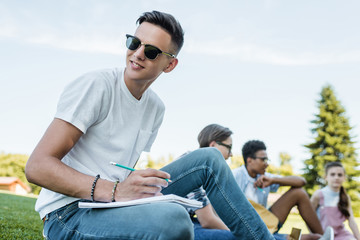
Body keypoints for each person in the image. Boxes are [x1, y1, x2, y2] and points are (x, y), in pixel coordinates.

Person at [25, 11, 275, 239]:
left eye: (152, 51)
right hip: (68, 214)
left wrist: (130, 185)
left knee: (209, 159)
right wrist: (114, 190)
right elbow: (37, 167)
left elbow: (118, 170)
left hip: (113, 205)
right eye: (134, 43)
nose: (138, 53)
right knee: (174, 219)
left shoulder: (156, 108)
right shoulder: (97, 86)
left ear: (169, 64)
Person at [232, 140, 334, 240]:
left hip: (266, 220)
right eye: (263, 159)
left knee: (299, 193)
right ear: (249, 160)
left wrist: (273, 180)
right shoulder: (235, 176)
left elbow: (301, 181)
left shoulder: (265, 177)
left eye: (267, 160)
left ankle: (323, 237)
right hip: (247, 225)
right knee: (308, 238)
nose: (266, 164)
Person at [184, 124, 236, 240]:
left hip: (188, 221)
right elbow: (207, 221)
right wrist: (238, 233)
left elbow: (213, 213)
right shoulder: (194, 164)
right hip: (175, 226)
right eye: (229, 148)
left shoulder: (207, 170)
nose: (231, 154)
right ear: (213, 146)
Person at [311, 162, 360, 240]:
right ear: (326, 177)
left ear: (344, 178)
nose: (336, 177)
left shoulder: (345, 197)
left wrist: (358, 237)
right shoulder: (318, 195)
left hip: (343, 235)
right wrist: (314, 235)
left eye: (340, 175)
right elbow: (309, 218)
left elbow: (351, 221)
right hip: (324, 236)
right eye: (332, 174)